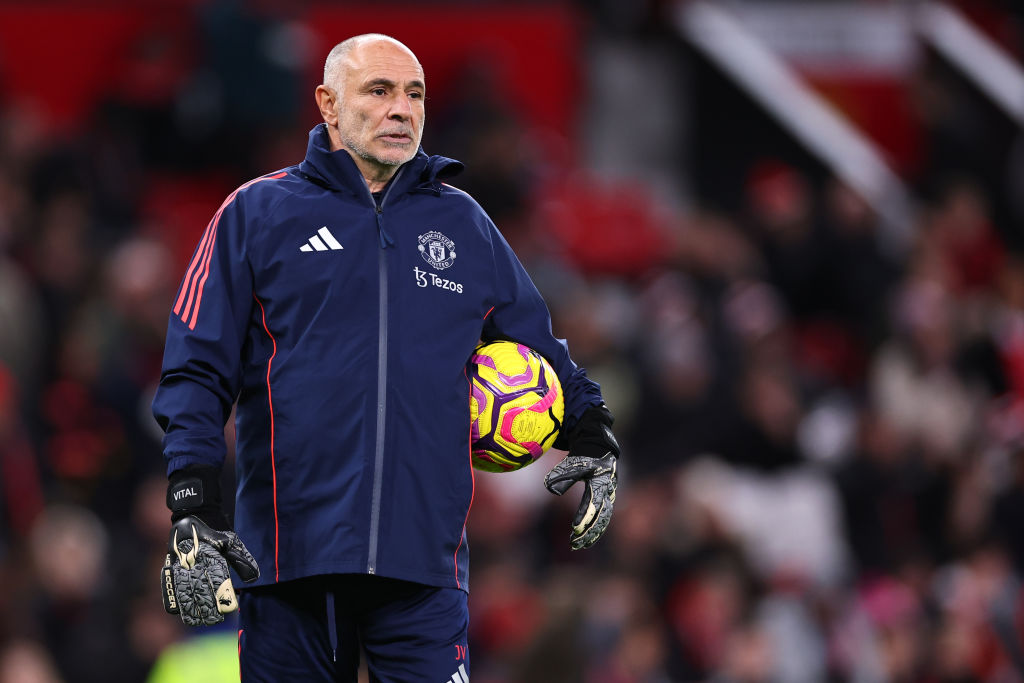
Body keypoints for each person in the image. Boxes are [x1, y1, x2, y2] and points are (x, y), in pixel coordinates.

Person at [152, 33, 620, 682]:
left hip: (424, 570)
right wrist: (193, 501)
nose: (402, 108)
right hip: (290, 563)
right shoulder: (256, 215)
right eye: (380, 90)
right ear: (328, 103)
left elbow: (540, 347)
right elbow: (196, 369)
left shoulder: (464, 224)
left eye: (415, 94)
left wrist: (591, 427)